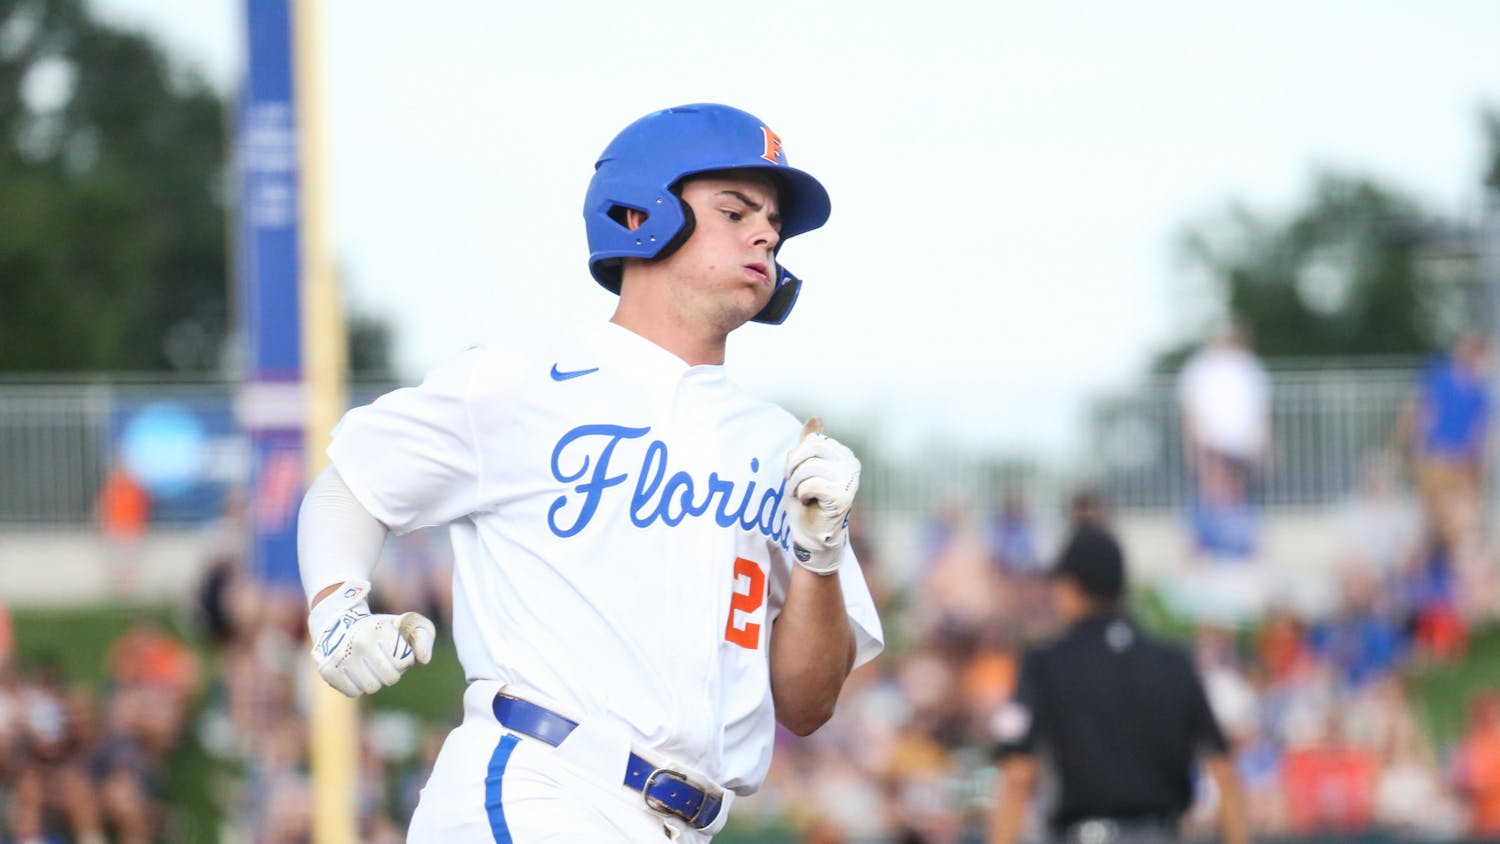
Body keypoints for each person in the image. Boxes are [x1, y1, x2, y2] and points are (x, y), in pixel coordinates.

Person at [295, 103, 884, 842]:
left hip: (683, 822)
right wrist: (336, 607)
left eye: (773, 222)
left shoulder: (782, 446)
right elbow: (353, 484)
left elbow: (807, 706)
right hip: (541, 782)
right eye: (735, 211)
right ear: (639, 213)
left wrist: (820, 557)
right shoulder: (524, 381)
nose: (766, 233)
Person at [986, 526, 1247, 844]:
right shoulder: (1173, 662)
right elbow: (1223, 770)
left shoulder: (1047, 663)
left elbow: (1018, 773)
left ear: (1072, 587)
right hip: (1160, 834)